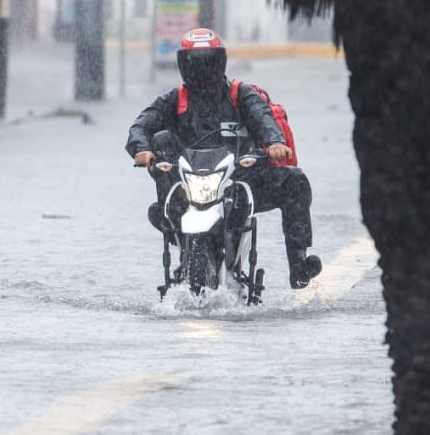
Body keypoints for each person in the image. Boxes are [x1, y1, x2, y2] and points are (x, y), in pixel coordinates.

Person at [127, 28, 323, 289]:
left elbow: (264, 119)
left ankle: (298, 263)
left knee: (296, 181)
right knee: (161, 139)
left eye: (208, 62)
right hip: (189, 189)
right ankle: (170, 217)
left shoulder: (240, 94)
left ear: (220, 62)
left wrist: (275, 143)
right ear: (184, 65)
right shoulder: (174, 100)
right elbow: (139, 127)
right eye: (195, 63)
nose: (202, 70)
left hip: (241, 182)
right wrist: (143, 149)